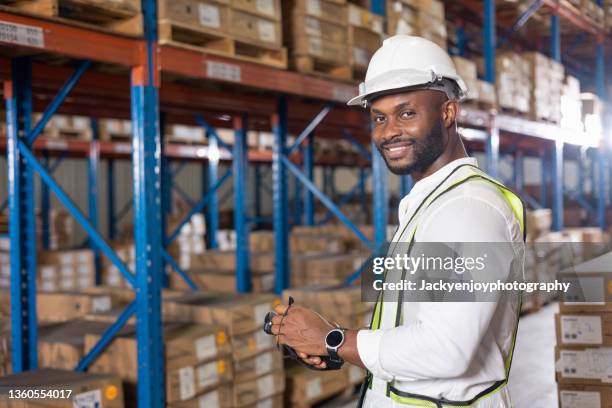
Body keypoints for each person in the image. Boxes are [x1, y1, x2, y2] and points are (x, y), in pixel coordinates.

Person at [269, 35, 526, 408]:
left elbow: (447, 349)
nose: (389, 131)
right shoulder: (429, 203)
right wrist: (333, 345)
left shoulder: (468, 210)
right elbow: (414, 326)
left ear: (448, 112)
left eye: (407, 113)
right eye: (379, 117)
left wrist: (334, 339)